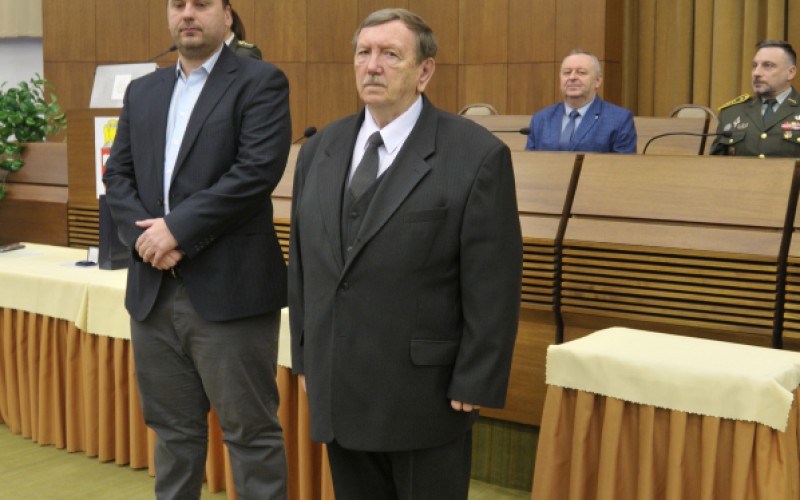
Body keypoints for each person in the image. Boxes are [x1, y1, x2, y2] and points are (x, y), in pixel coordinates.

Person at [288, 8, 522, 500]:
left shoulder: (475, 155)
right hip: (339, 388)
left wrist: (475, 379)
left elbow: (493, 283)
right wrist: (306, 356)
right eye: (363, 53)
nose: (372, 65)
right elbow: (304, 266)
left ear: (425, 71)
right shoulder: (318, 150)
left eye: (391, 55)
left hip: (425, 396)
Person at [102, 0, 291, 498]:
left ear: (227, 15)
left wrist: (176, 231)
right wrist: (147, 240)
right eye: (177, 4)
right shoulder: (144, 91)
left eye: (201, 4)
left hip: (231, 292)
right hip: (153, 291)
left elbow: (255, 172)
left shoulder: (260, 82)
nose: (187, 13)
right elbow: (117, 175)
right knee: (173, 433)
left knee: (250, 435)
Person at [525, 49, 637, 153]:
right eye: (567, 72)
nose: (572, 77)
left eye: (581, 72)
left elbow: (623, 165)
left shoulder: (619, 119)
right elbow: (530, 162)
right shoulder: (541, 119)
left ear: (597, 81)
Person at [711, 39, 800, 157]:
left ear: (791, 72)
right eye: (754, 66)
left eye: (768, 66)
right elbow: (716, 163)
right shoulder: (731, 113)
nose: (756, 73)